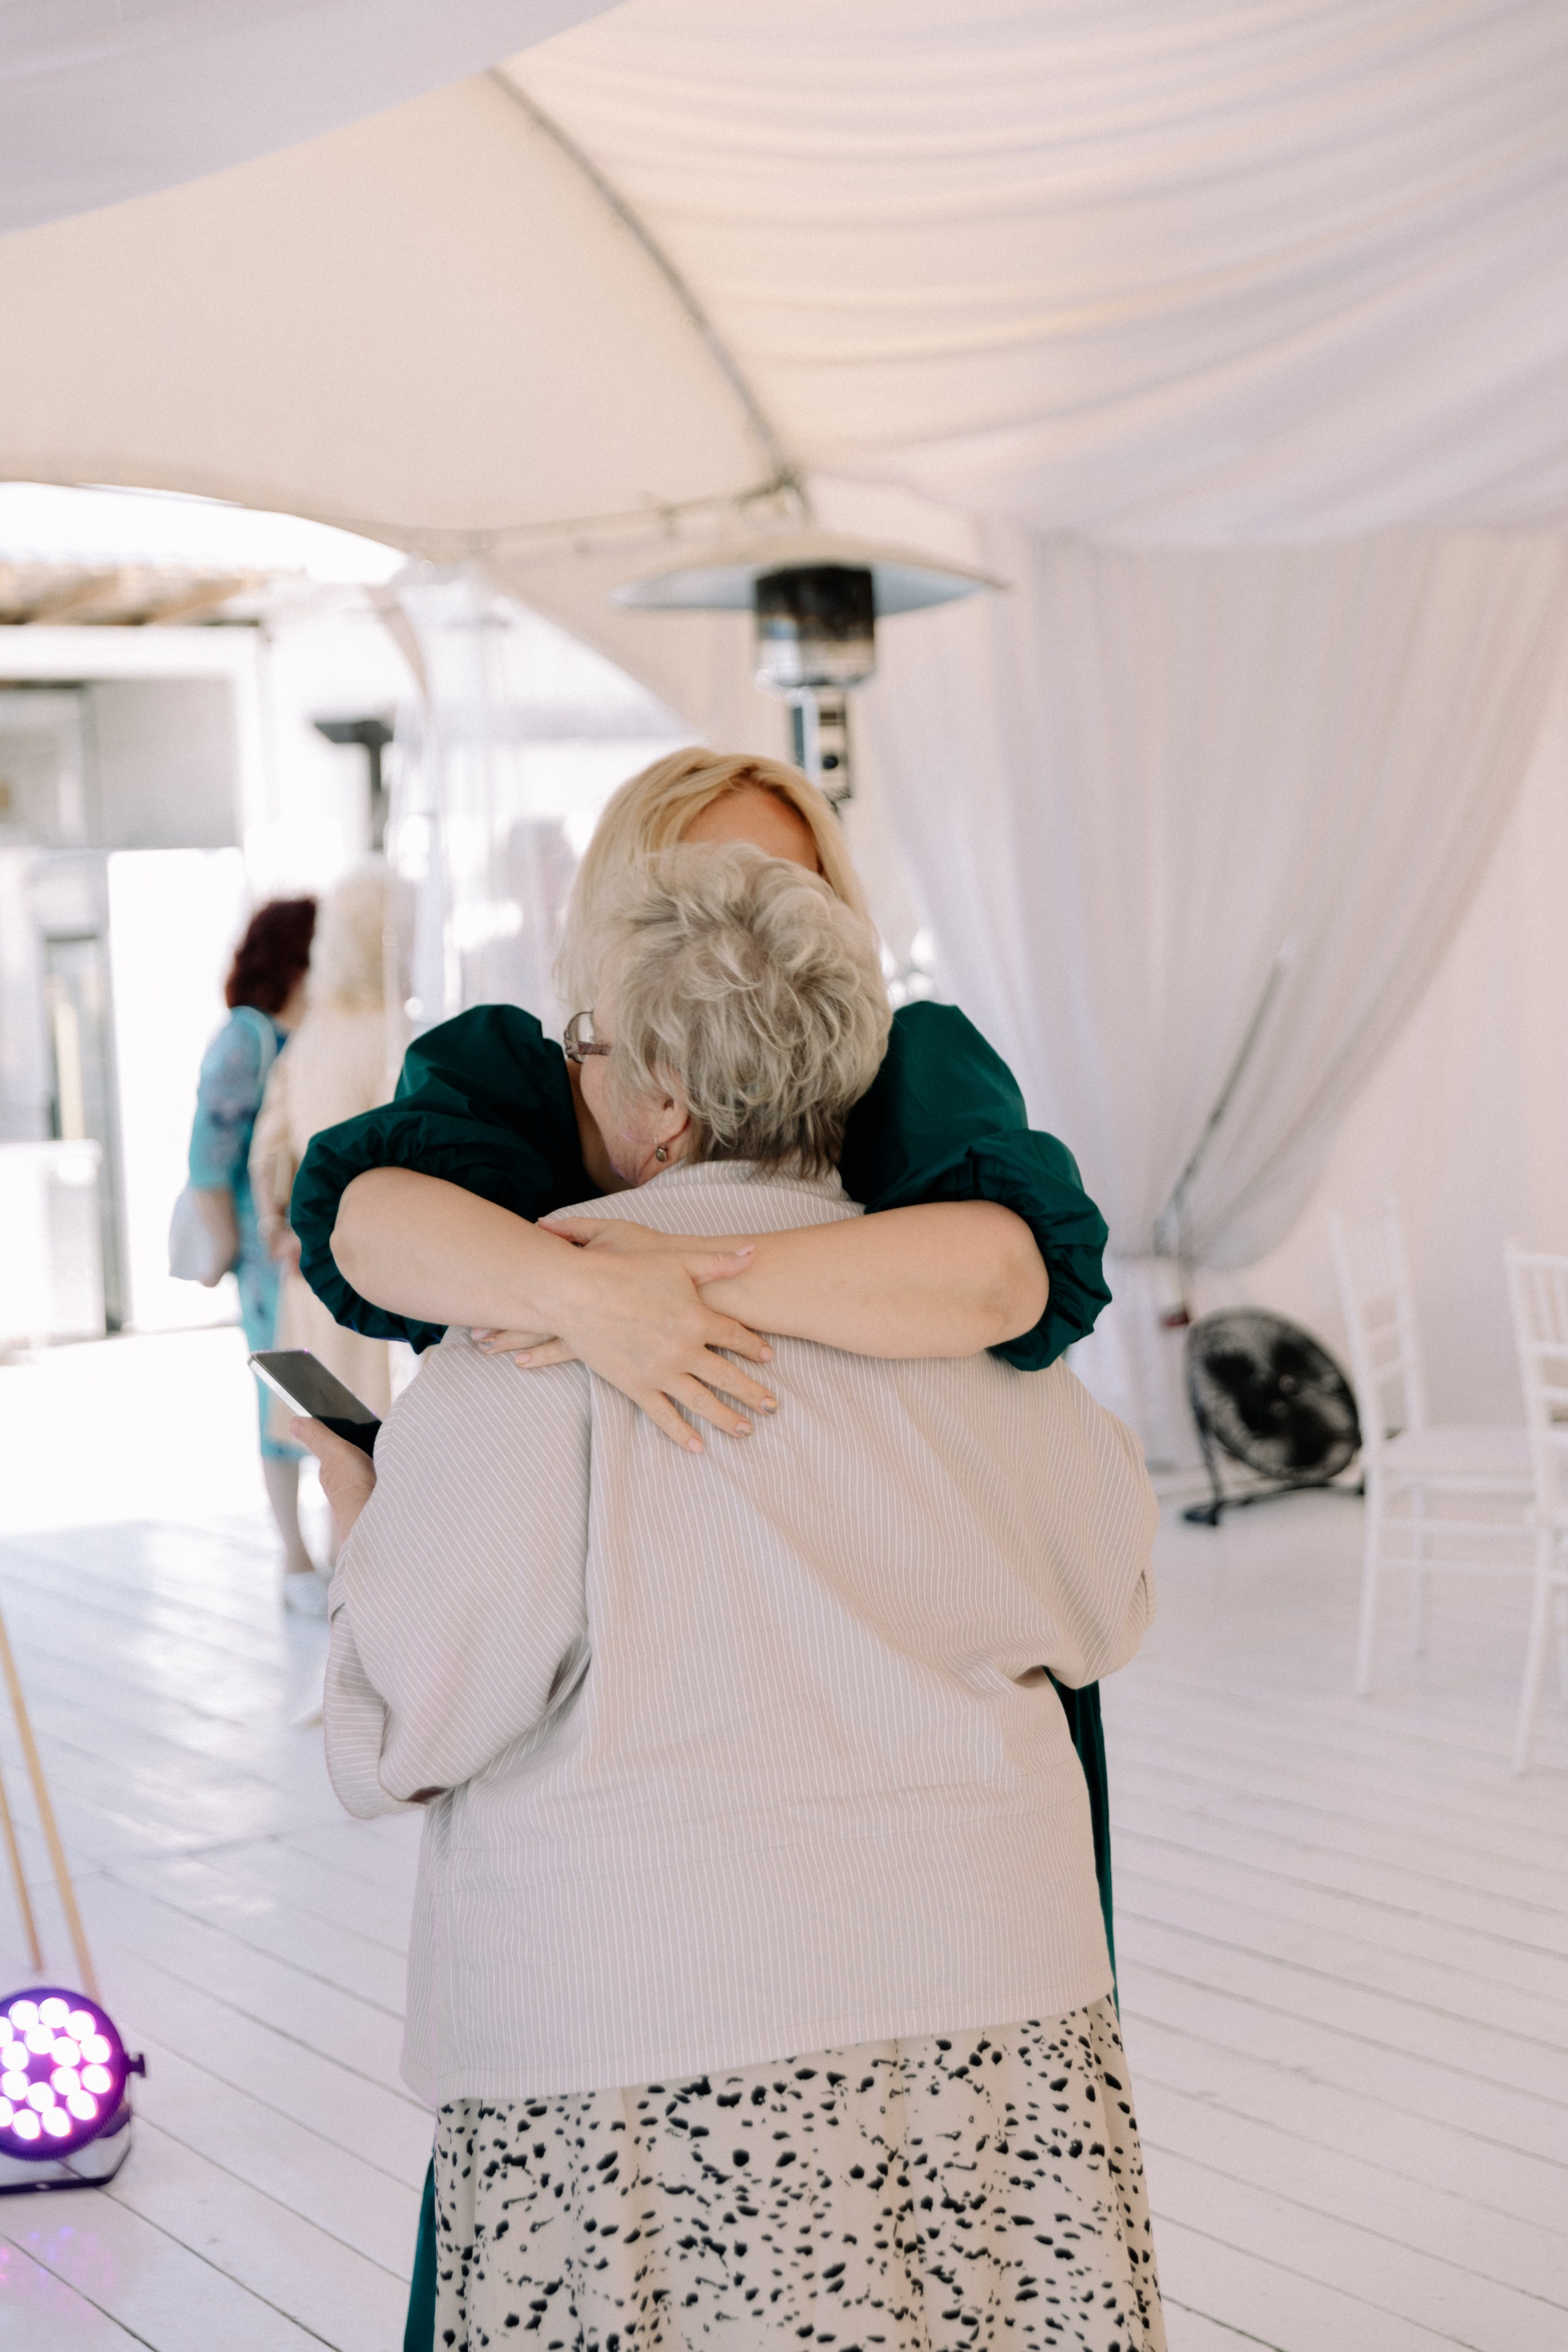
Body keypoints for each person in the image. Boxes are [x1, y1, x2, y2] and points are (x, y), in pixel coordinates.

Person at [306, 846, 1164, 2352]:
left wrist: (358, 1508)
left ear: (664, 1106)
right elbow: (1108, 1604)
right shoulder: (986, 1335)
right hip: (996, 2009)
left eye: (584, 1043)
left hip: (644, 2045)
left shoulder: (526, 1355)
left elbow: (403, 1731)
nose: (567, 1075)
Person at [288, 748, 1119, 1957]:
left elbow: (1002, 1274)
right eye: (700, 879)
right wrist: (583, 1294)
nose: (743, 919)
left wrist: (669, 1280)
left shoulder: (906, 1074)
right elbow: (365, 1227)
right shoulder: (528, 1083)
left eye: (784, 883)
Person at [248, 867, 405, 1602]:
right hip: (374, 1274)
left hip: (309, 1273)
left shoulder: (312, 1036)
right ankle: (372, 1613)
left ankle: (347, 1612)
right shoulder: (392, 1032)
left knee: (334, 1446)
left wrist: (279, 1228)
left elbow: (268, 1149)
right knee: (383, 1448)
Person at [186, 895, 317, 1602]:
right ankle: (294, 1560)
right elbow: (207, 1161)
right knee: (280, 1395)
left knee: (314, 1393)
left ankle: (319, 1557)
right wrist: (234, 1249)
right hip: (266, 1252)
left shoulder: (309, 1031)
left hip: (299, 1247)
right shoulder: (247, 1038)